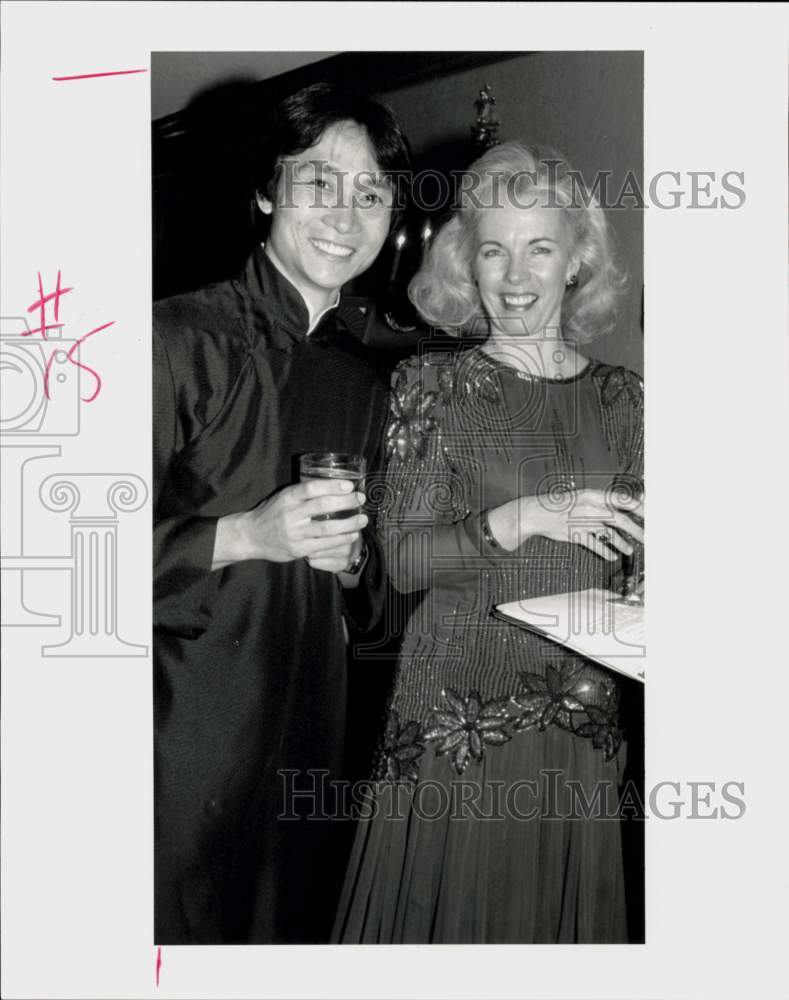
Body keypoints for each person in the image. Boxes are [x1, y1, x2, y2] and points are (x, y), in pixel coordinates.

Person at [333, 142, 644, 944]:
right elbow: (401, 560)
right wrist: (523, 516)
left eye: (539, 246)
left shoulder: (624, 397)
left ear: (575, 260)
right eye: (493, 249)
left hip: (577, 720)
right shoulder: (432, 387)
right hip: (455, 723)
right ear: (465, 264)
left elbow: (640, 547)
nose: (514, 274)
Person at [153, 83, 411, 944]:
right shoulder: (171, 339)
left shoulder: (365, 381)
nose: (346, 213)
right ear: (266, 191)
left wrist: (354, 569)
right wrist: (241, 536)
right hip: (179, 734)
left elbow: (376, 595)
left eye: (371, 193)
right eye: (319, 183)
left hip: (307, 732)